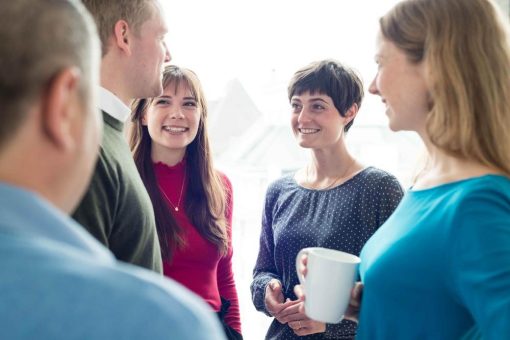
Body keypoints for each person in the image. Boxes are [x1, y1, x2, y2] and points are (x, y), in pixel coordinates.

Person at [0, 1, 226, 339]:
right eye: (161, 37)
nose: (168, 54)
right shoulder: (175, 323)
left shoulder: (214, 185)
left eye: (189, 104)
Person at [296, 0, 510, 338]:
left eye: (381, 63)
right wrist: (371, 307)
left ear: (435, 65)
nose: (373, 85)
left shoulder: (478, 204)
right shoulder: (425, 183)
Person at [251, 60, 404, 339]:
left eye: (317, 106)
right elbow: (263, 271)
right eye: (297, 105)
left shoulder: (380, 189)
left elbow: (398, 294)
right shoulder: (279, 191)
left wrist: (331, 324)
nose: (303, 118)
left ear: (349, 112)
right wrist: (267, 292)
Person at [129, 65, 242, 339]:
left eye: (189, 104)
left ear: (201, 116)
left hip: (213, 330)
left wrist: (236, 334)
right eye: (163, 101)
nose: (178, 114)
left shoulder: (219, 186)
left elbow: (224, 275)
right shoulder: (127, 184)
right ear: (144, 114)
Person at [72, 0, 171, 272]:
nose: (168, 54)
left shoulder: (109, 134)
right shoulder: (87, 148)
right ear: (124, 36)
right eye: (161, 38)